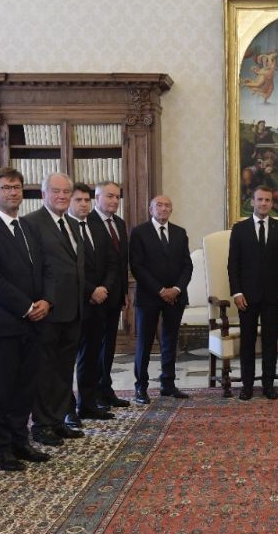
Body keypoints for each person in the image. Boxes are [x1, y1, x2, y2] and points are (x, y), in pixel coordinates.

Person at [0, 167, 51, 471]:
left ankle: (21, 441)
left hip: (34, 322)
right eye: (6, 187)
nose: (12, 192)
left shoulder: (29, 227)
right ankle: (1, 447)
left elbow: (45, 268)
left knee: (25, 387)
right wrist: (26, 306)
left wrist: (46, 301)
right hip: (5, 323)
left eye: (17, 187)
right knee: (0, 390)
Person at [23, 173, 85, 446]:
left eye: (66, 192)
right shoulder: (32, 223)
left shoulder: (70, 223)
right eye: (56, 191)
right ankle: (42, 425)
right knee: (45, 371)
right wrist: (42, 300)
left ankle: (58, 421)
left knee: (64, 369)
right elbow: (32, 267)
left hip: (73, 309)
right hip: (48, 310)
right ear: (43, 194)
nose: (61, 196)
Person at [227, 186, 278, 400]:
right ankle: (247, 386)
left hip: (273, 297)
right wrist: (236, 292)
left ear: (272, 203)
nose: (263, 203)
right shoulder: (240, 229)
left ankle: (268, 385)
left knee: (270, 343)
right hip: (246, 297)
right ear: (252, 202)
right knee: (247, 342)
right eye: (260, 200)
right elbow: (233, 264)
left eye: (267, 200)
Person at [129, 196, 193, 404]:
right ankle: (141, 387)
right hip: (149, 296)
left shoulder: (180, 232)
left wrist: (176, 289)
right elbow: (137, 266)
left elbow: (187, 265)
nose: (163, 209)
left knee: (170, 341)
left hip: (175, 297)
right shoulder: (139, 232)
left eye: (167, 206)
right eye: (159, 205)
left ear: (171, 210)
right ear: (151, 209)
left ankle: (168, 384)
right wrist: (160, 290)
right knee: (145, 342)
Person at [68, 182, 117, 424]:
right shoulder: (64, 228)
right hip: (74, 303)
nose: (84, 204)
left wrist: (103, 289)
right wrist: (91, 290)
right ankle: (67, 410)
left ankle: (87, 404)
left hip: (98, 304)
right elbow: (67, 269)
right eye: (78, 200)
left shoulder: (97, 228)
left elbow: (111, 263)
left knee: (91, 357)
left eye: (87, 200)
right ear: (69, 202)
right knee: (67, 360)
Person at [89, 181, 131, 408]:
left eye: (117, 197)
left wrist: (124, 292)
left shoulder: (119, 223)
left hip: (115, 296)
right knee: (94, 346)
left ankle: (106, 388)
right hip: (95, 296)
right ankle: (93, 392)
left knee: (109, 346)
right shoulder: (88, 222)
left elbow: (121, 262)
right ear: (97, 198)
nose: (115, 201)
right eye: (110, 196)